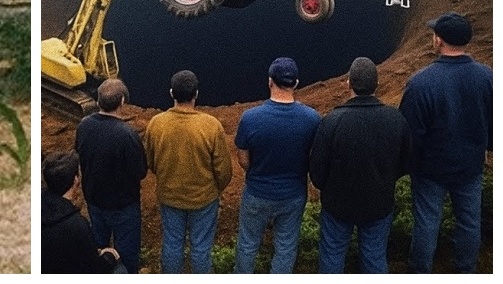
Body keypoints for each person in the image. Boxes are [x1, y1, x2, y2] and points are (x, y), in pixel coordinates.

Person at [399, 12, 492, 273]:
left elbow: (410, 133)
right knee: (469, 222)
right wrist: (486, 149)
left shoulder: (420, 83)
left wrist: (409, 163)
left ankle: (420, 273)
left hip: (430, 170)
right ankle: (466, 271)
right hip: (470, 166)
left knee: (427, 222)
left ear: (438, 40)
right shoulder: (488, 78)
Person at [309, 56, 411, 273]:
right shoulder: (396, 119)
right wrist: (385, 179)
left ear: (348, 83)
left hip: (338, 204)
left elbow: (317, 171)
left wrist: (329, 188)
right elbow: (406, 162)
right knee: (374, 256)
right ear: (377, 84)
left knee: (332, 255)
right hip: (379, 202)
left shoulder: (332, 121)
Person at [233, 56, 321, 272]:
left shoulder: (250, 118)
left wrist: (257, 170)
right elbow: (315, 155)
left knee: (247, 244)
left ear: (270, 81)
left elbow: (243, 159)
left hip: (257, 192)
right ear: (296, 83)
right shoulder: (312, 118)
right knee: (286, 247)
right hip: (293, 194)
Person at [143, 68, 233, 273]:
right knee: (201, 248)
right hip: (204, 199)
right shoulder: (211, 126)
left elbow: (150, 161)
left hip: (170, 196)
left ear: (172, 93)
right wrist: (215, 189)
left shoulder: (156, 123)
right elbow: (223, 170)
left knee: (172, 244)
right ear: (196, 94)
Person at [74, 77, 148, 273]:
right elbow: (141, 171)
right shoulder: (127, 135)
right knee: (127, 255)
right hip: (124, 206)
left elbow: (80, 153)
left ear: (98, 101)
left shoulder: (83, 126)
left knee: (98, 249)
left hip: (94, 201)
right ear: (123, 101)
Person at [40, 151, 125, 273]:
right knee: (121, 269)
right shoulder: (77, 225)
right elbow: (93, 269)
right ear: (76, 180)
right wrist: (109, 256)